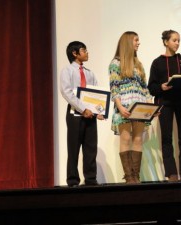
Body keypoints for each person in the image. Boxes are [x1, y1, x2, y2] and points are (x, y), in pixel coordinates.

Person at [148, 30, 181, 182]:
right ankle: (171, 173)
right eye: (174, 40)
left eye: (178, 40)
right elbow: (151, 87)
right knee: (166, 138)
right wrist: (162, 87)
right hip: (165, 103)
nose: (177, 43)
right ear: (166, 42)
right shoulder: (157, 62)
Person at [109, 31, 153, 184]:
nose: (138, 43)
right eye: (136, 40)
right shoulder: (115, 63)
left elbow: (145, 88)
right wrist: (120, 107)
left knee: (138, 139)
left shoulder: (138, 64)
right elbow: (114, 87)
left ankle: (136, 175)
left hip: (140, 105)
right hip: (125, 105)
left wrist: (150, 106)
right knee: (126, 138)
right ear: (128, 42)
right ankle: (129, 177)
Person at [60, 41, 104, 187]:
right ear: (75, 53)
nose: (87, 53)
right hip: (75, 114)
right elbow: (66, 92)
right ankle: (73, 180)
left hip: (91, 115)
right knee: (74, 148)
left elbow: (96, 94)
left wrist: (99, 111)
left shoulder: (90, 73)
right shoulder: (67, 71)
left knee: (90, 147)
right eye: (84, 50)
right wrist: (83, 109)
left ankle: (91, 179)